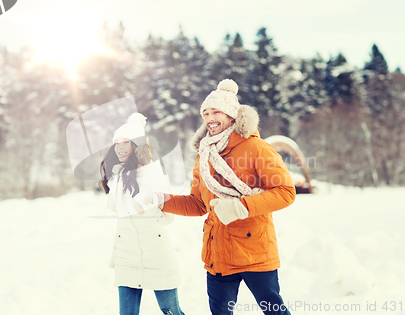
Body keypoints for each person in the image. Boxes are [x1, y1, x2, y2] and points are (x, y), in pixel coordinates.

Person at [160, 79, 296, 315]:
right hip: (218, 255)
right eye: (206, 113)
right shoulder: (204, 155)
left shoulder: (257, 148)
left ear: (232, 115)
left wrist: (239, 207)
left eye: (216, 112)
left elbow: (285, 192)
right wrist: (161, 201)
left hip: (254, 252)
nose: (210, 118)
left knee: (275, 312)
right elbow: (198, 204)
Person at [100, 113, 185, 315]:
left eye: (126, 142)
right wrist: (117, 180)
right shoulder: (116, 176)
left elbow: (167, 218)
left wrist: (151, 196)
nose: (120, 147)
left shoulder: (154, 173)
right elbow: (115, 208)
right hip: (126, 254)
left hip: (155, 252)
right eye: (117, 143)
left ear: (136, 145)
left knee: (171, 311)